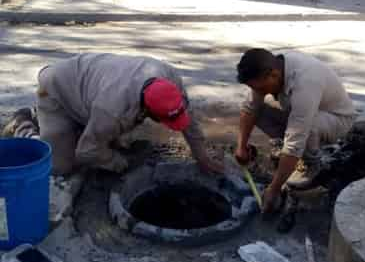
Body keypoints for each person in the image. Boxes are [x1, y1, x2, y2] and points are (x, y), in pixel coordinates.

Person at [3, 53, 222, 177]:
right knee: (59, 167)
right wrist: (120, 163)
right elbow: (86, 152)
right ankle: (23, 124)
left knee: (109, 136)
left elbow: (189, 121)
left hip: (89, 93)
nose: (170, 124)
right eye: (165, 120)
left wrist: (201, 155)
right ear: (146, 110)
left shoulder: (170, 80)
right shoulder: (112, 111)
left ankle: (79, 130)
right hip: (57, 92)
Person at [235, 48, 355, 213]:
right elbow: (249, 109)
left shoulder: (306, 81)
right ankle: (292, 152)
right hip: (307, 113)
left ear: (274, 75)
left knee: (307, 128)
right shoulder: (272, 69)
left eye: (260, 88)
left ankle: (312, 164)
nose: (258, 92)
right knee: (260, 109)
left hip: (337, 119)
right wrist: (241, 147)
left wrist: (274, 189)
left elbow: (295, 141)